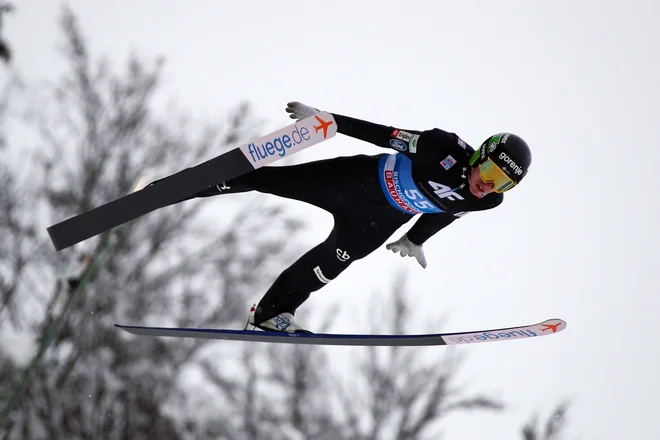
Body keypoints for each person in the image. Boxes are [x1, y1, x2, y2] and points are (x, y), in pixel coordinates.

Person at [183, 102, 532, 333]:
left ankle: (270, 314)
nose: (488, 184)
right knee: (274, 181)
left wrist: (416, 238)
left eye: (503, 182)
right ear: (479, 156)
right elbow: (384, 134)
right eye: (489, 170)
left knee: (328, 266)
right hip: (357, 183)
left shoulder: (486, 201)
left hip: (378, 222)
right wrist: (329, 122)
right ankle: (190, 186)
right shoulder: (441, 148)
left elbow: (449, 211)